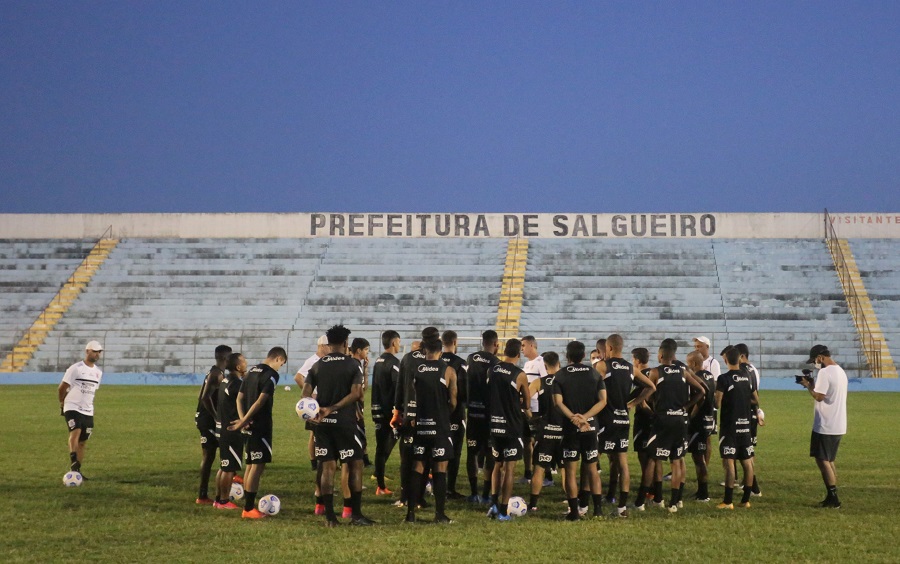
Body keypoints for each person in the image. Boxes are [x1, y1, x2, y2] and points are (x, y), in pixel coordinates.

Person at [304, 325, 373, 526]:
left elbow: (305, 395)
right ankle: (356, 515)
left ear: (328, 343)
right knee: (355, 465)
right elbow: (357, 394)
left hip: (322, 424)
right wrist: (334, 408)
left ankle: (330, 518)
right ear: (345, 343)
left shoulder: (317, 365)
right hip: (345, 422)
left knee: (327, 466)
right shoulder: (353, 365)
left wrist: (316, 411)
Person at [595, 334, 655, 517]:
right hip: (623, 419)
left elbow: (592, 387)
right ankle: (621, 508)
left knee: (592, 460)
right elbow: (651, 386)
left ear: (609, 348)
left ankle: (587, 504)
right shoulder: (630, 368)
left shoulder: (602, 366)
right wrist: (633, 403)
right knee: (621, 462)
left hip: (605, 419)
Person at [644, 343, 705, 513]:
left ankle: (656, 499)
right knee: (677, 461)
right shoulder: (683, 371)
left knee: (655, 458)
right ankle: (675, 501)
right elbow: (701, 390)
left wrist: (650, 406)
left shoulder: (656, 372)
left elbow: (647, 392)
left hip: (663, 419)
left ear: (661, 356)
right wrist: (686, 407)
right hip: (679, 420)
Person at [228, 346, 287, 519]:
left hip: (247, 424)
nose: (280, 368)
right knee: (257, 465)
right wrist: (245, 421)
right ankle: (248, 509)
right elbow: (261, 401)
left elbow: (240, 398)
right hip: (259, 425)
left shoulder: (251, 371)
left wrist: (242, 420)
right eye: (281, 364)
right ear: (277, 359)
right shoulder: (272, 375)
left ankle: (248, 503)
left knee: (251, 464)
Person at [405, 335, 458, 523]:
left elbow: (412, 398)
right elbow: (453, 401)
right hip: (440, 425)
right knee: (440, 468)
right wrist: (444, 412)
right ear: (441, 352)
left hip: (420, 425)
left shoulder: (416, 370)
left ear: (425, 351)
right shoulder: (448, 370)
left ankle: (410, 514)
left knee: (417, 467)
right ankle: (439, 514)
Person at [553, 340, 607, 520]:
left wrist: (574, 418)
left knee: (570, 470)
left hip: (570, 428)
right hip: (590, 427)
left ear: (567, 356)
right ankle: (598, 510)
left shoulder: (560, 375)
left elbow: (558, 402)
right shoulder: (594, 373)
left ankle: (574, 512)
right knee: (592, 468)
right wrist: (585, 417)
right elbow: (603, 401)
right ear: (584, 355)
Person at [485, 338, 530, 521]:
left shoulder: (492, 369)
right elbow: (527, 402)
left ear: (504, 351)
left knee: (497, 464)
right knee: (510, 468)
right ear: (518, 354)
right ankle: (504, 510)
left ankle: (493, 505)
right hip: (512, 425)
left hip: (494, 424)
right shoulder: (520, 374)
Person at [799, 344, 847, 509]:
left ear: (820, 357)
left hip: (826, 423)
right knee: (830, 459)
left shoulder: (825, 372)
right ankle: (832, 494)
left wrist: (808, 386)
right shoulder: (840, 371)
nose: (815, 364)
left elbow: (819, 397)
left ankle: (833, 496)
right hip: (839, 423)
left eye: (815, 361)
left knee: (822, 460)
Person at [715, 346, 759, 509]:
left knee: (729, 462)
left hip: (730, 426)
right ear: (739, 359)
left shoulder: (723, 378)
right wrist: (742, 401)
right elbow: (755, 399)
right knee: (747, 461)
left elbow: (718, 403)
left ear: (726, 360)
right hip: (745, 425)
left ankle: (728, 501)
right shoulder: (747, 376)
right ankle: (746, 500)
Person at [58, 340, 104, 478]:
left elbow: (92, 391)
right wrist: (62, 402)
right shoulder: (76, 368)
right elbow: (62, 388)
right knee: (75, 431)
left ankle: (77, 471)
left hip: (88, 410)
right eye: (94, 351)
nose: (97, 354)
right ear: (87, 351)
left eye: (99, 352)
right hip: (72, 406)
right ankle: (73, 462)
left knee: (83, 442)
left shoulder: (98, 373)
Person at [464, 330, 500, 503]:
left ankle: (473, 492)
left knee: (472, 453)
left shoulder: (470, 358)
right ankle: (486, 494)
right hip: (488, 415)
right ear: (496, 344)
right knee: (489, 453)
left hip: (472, 413)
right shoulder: (495, 362)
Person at [194, 344, 231, 505]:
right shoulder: (216, 373)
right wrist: (216, 416)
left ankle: (223, 486)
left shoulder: (216, 372)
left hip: (205, 418)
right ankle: (203, 495)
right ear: (224, 358)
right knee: (210, 456)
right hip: (207, 420)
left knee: (216, 453)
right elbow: (204, 397)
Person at [528, 351, 562, 511]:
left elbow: (523, 400)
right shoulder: (565, 381)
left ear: (545, 365)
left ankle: (533, 505)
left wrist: (531, 417)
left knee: (539, 468)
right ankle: (571, 503)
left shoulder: (538, 382)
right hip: (563, 431)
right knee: (566, 470)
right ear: (559, 364)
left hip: (545, 430)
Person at [215, 352, 247, 509]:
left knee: (223, 466)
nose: (246, 363)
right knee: (229, 468)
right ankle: (224, 501)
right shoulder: (237, 384)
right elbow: (245, 401)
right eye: (244, 361)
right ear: (238, 366)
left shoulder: (225, 380)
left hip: (221, 428)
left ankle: (218, 499)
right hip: (231, 429)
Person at [371, 330, 401, 496]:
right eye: (399, 341)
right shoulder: (394, 363)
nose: (399, 345)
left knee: (381, 447)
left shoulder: (378, 361)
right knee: (393, 444)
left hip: (377, 410)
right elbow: (398, 387)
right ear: (394, 342)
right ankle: (381, 485)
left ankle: (380, 481)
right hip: (390, 413)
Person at [440, 330, 468, 499]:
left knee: (438, 449)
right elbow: (463, 391)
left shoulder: (435, 361)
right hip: (456, 414)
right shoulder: (460, 363)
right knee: (454, 451)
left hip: (437, 413)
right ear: (455, 342)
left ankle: (436, 485)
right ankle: (450, 488)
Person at [685, 350, 715, 502]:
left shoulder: (698, 377)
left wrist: (691, 413)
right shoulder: (709, 375)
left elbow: (701, 397)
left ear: (695, 363)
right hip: (709, 419)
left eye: (689, 363)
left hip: (699, 422)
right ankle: (701, 491)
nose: (687, 366)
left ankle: (703, 493)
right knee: (701, 456)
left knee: (698, 458)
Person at [295, 335, 328, 472]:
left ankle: (324, 459)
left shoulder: (324, 360)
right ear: (321, 346)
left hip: (323, 400)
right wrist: (309, 396)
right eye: (328, 346)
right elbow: (298, 377)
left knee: (322, 431)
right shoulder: (313, 361)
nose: (330, 348)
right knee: (314, 433)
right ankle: (314, 462)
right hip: (315, 403)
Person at [736, 343, 764, 496]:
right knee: (749, 451)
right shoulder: (753, 369)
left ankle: (754, 487)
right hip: (753, 414)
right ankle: (750, 483)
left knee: (746, 453)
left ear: (742, 355)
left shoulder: (743, 371)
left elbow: (751, 395)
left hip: (745, 415)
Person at [520, 336, 546, 484]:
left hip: (536, 409)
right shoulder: (527, 364)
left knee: (538, 442)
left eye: (523, 345)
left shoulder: (541, 362)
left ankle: (544, 473)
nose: (521, 348)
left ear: (531, 345)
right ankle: (528, 473)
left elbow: (545, 383)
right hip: (526, 408)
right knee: (526, 440)